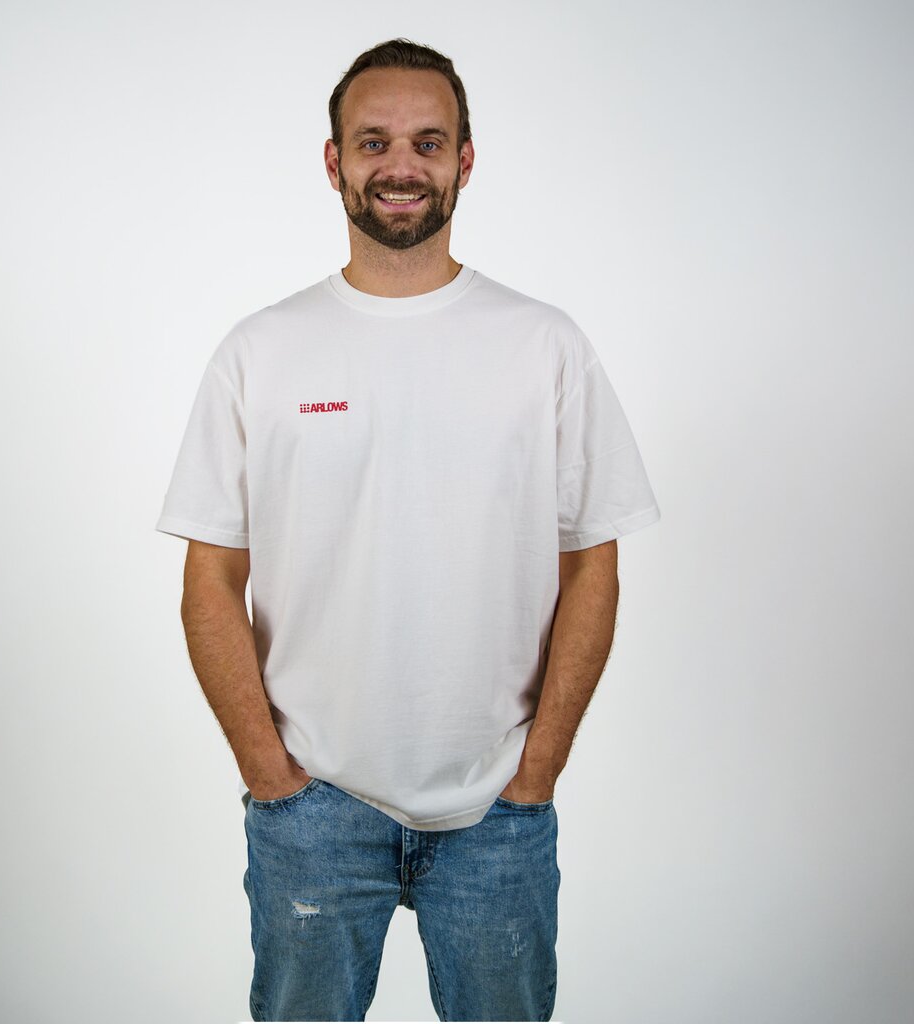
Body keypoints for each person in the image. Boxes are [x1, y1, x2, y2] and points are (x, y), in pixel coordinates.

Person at [155, 37, 661, 1023]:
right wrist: (270, 776)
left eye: (428, 142)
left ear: (464, 161)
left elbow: (592, 569)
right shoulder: (261, 351)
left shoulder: (544, 345)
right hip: (312, 808)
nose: (401, 165)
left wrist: (536, 774)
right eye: (374, 141)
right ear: (334, 160)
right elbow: (209, 579)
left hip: (496, 812)